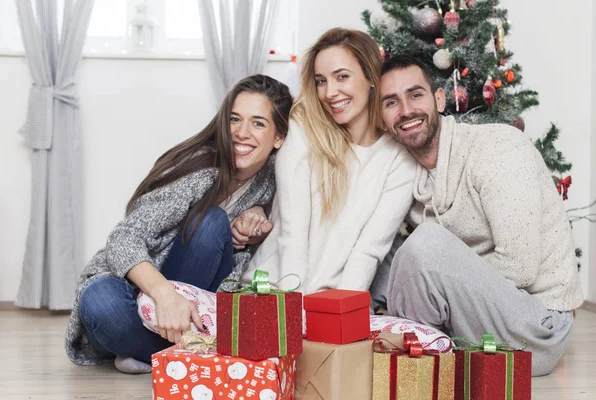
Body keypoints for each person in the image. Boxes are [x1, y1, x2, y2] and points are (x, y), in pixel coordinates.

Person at [65, 75, 293, 373]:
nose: (241, 133)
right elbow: (123, 238)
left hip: (194, 297)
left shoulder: (274, 175)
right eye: (234, 119)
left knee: (213, 223)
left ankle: (148, 353)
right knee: (99, 301)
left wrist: (258, 212)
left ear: (279, 138)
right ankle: (178, 352)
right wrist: (164, 296)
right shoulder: (201, 169)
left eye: (258, 123)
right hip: (142, 285)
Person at [379, 55, 583, 376]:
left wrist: (441, 274)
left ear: (440, 99)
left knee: (426, 245)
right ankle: (394, 335)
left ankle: (413, 357)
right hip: (479, 315)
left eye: (416, 94)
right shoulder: (409, 176)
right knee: (384, 250)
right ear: (382, 117)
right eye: (391, 102)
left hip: (536, 329)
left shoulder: (496, 148)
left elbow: (520, 267)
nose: (406, 110)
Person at [243, 28, 417, 295]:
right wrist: (294, 307)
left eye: (342, 77)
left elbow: (369, 251)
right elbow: (293, 232)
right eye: (321, 81)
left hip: (336, 302)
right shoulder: (304, 126)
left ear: (371, 77)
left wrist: (340, 311)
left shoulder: (399, 159)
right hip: (273, 291)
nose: (330, 92)